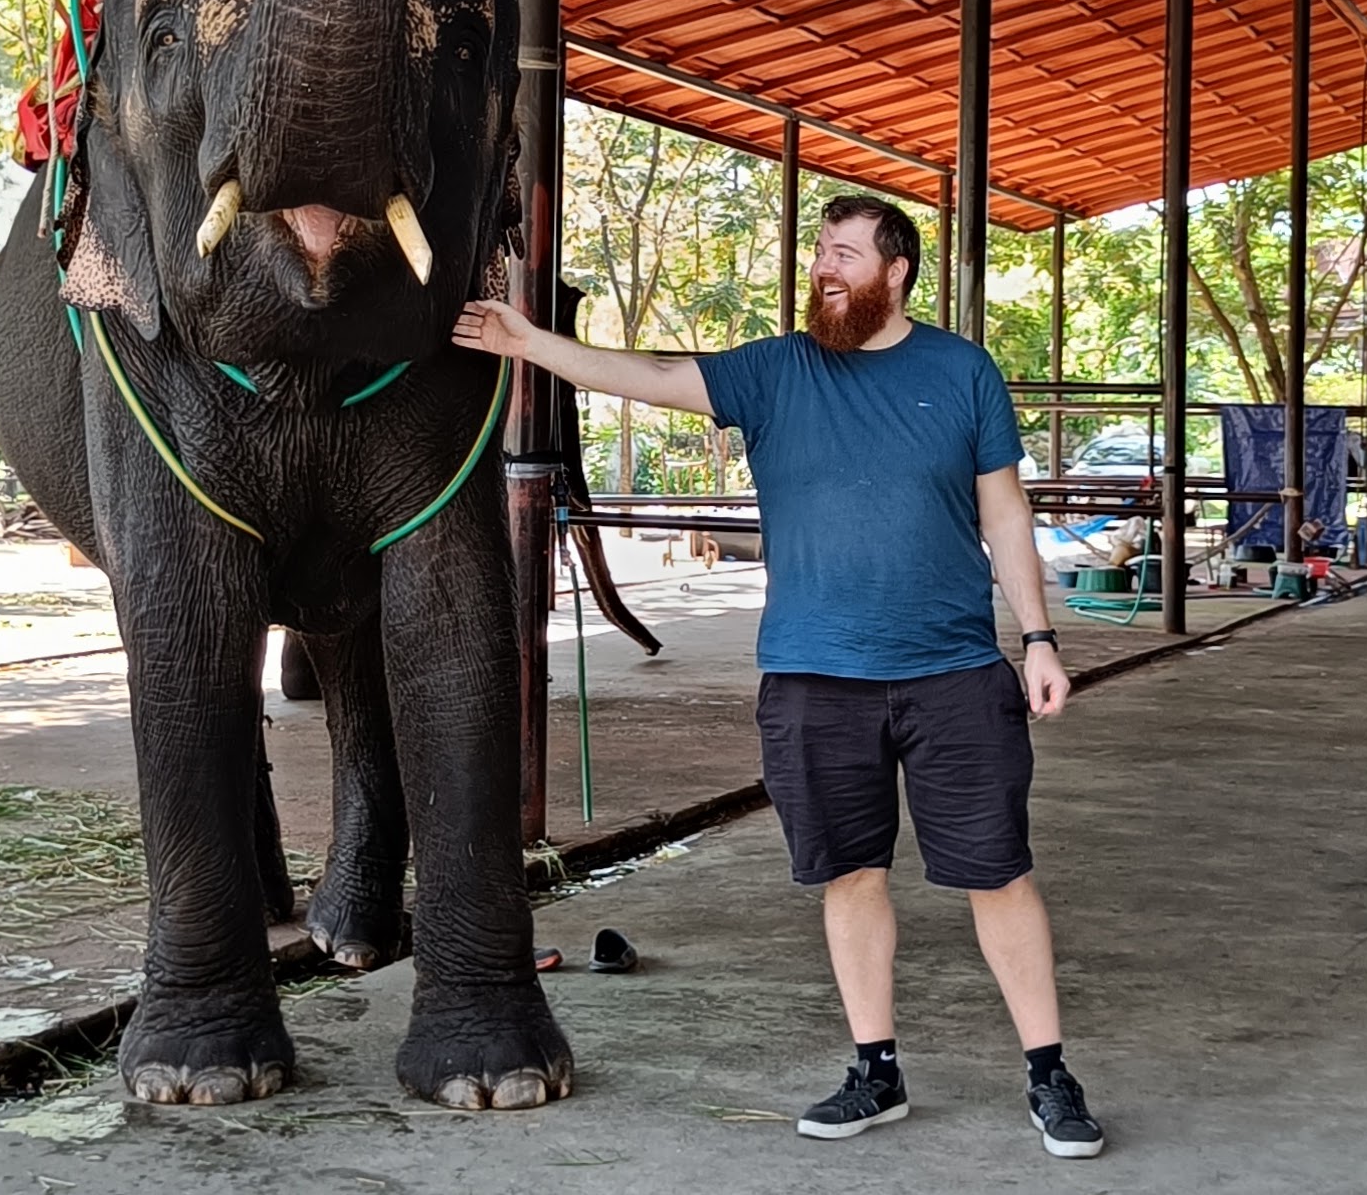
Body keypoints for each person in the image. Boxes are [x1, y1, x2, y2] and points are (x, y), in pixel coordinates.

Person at [454, 194, 1105, 1160]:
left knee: (996, 873)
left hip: (955, 672)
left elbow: (1005, 515)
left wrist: (1040, 637)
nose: (823, 271)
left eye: (844, 255)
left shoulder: (960, 371)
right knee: (850, 873)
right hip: (812, 676)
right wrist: (528, 342)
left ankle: (1049, 1072)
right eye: (818, 256)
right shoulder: (776, 370)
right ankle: (874, 1068)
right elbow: (650, 374)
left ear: (897, 272)